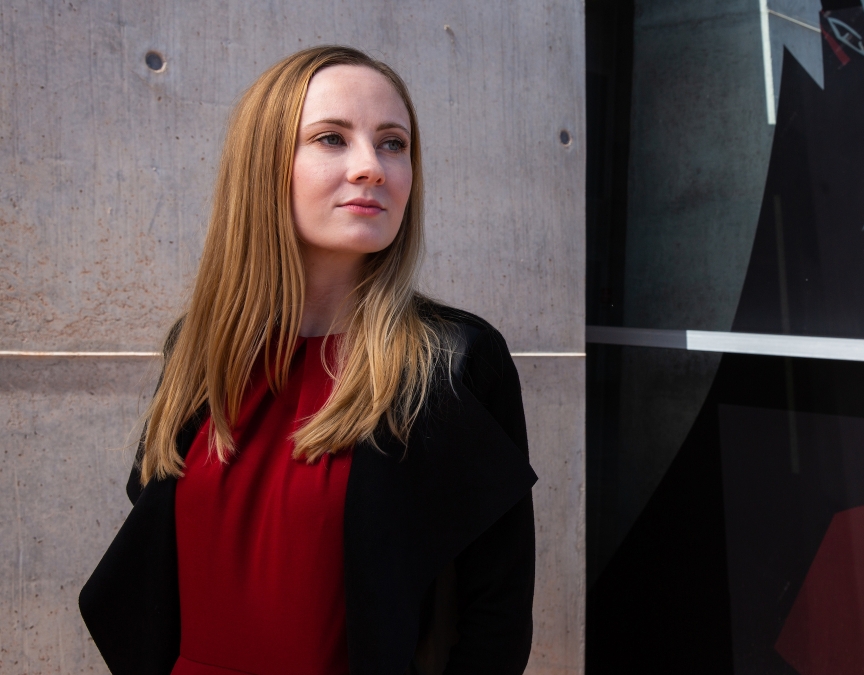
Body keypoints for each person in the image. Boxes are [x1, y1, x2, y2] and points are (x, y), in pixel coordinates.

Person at [78, 45, 537, 675]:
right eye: (331, 138)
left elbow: (497, 613)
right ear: (264, 166)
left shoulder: (452, 360)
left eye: (393, 143)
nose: (371, 167)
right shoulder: (201, 348)